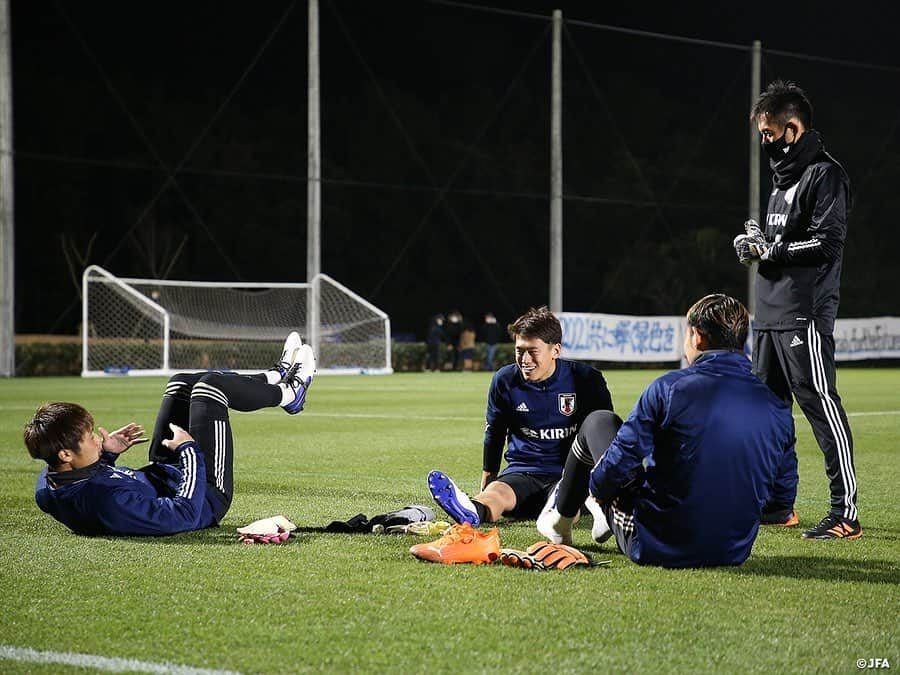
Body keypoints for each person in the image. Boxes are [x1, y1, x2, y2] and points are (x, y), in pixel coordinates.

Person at [538, 294, 796, 568]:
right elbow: (781, 501)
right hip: (732, 551)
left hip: (657, 544)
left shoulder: (670, 388)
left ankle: (562, 521)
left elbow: (620, 461)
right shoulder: (775, 403)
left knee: (599, 422)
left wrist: (598, 493)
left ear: (697, 336)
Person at [23, 333, 316, 536]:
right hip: (205, 495)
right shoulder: (106, 502)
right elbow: (184, 515)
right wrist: (188, 450)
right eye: (89, 438)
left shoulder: (49, 483)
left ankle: (276, 374)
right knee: (210, 388)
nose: (96, 438)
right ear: (66, 453)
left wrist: (108, 453)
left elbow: (85, 481)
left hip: (164, 473)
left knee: (180, 383)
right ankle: (290, 392)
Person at [734, 80, 860, 540]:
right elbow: (777, 246)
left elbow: (827, 243)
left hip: (804, 312)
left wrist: (771, 250)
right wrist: (755, 246)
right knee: (767, 415)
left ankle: (845, 512)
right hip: (767, 313)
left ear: (792, 128)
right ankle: (777, 505)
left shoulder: (825, 174)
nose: (764, 142)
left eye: (768, 133)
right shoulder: (781, 179)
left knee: (820, 404)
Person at [428, 306, 613, 527]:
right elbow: (495, 434)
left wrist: (605, 490)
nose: (524, 359)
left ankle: (556, 516)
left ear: (556, 351)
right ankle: (472, 510)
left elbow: (604, 437)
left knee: (564, 501)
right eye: (519, 350)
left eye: (532, 351)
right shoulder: (505, 380)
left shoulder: (586, 380)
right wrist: (487, 483)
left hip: (569, 474)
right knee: (496, 494)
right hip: (523, 472)